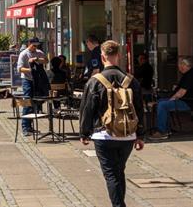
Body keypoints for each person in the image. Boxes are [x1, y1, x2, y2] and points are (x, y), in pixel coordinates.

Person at [79, 40, 144, 207]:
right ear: (118, 56)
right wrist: (140, 134)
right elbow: (139, 109)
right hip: (127, 134)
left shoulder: (95, 81)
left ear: (102, 57)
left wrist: (84, 133)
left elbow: (87, 109)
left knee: (111, 175)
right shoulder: (131, 80)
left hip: (104, 134)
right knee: (119, 171)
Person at [148, 56, 193, 140]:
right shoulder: (187, 74)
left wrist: (170, 99)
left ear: (184, 65)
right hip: (185, 100)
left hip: (188, 103)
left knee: (163, 105)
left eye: (180, 64)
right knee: (161, 102)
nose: (178, 66)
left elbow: (181, 92)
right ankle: (167, 129)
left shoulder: (190, 75)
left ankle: (162, 131)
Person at [17, 37, 47, 137]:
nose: (35, 47)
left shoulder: (39, 52)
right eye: (33, 45)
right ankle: (25, 127)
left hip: (37, 80)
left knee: (34, 102)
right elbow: (19, 69)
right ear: (29, 44)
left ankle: (30, 126)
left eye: (37, 45)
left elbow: (46, 60)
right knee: (27, 101)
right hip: (27, 80)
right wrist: (31, 70)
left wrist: (37, 59)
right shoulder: (24, 54)